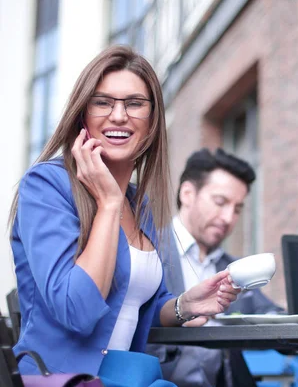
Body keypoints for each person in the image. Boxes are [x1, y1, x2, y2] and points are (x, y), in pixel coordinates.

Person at [8, 45, 240, 386]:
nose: (118, 116)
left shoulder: (139, 204)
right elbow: (78, 311)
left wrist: (184, 305)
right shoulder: (46, 186)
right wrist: (108, 204)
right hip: (64, 377)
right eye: (103, 102)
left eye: (134, 103)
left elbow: (130, 304)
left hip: (125, 374)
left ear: (152, 122)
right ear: (82, 115)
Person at [147, 148, 283, 387]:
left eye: (238, 209)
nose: (228, 217)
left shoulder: (234, 268)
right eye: (220, 202)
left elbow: (274, 316)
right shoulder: (147, 251)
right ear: (187, 193)